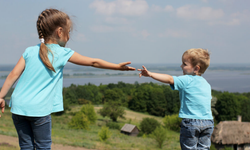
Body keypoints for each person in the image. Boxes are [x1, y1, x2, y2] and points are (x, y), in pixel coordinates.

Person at [0, 8, 135, 149]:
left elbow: (13, 75)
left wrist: (1, 97)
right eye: (69, 31)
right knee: (43, 146)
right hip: (38, 111)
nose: (69, 36)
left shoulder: (29, 50)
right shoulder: (62, 53)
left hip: (18, 107)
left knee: (26, 146)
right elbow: (93, 62)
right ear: (60, 32)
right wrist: (117, 67)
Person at [138, 48, 214, 150]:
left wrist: (150, 74)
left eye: (184, 64)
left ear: (196, 68)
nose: (181, 66)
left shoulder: (188, 79)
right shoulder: (206, 84)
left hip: (191, 122)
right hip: (208, 122)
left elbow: (169, 79)